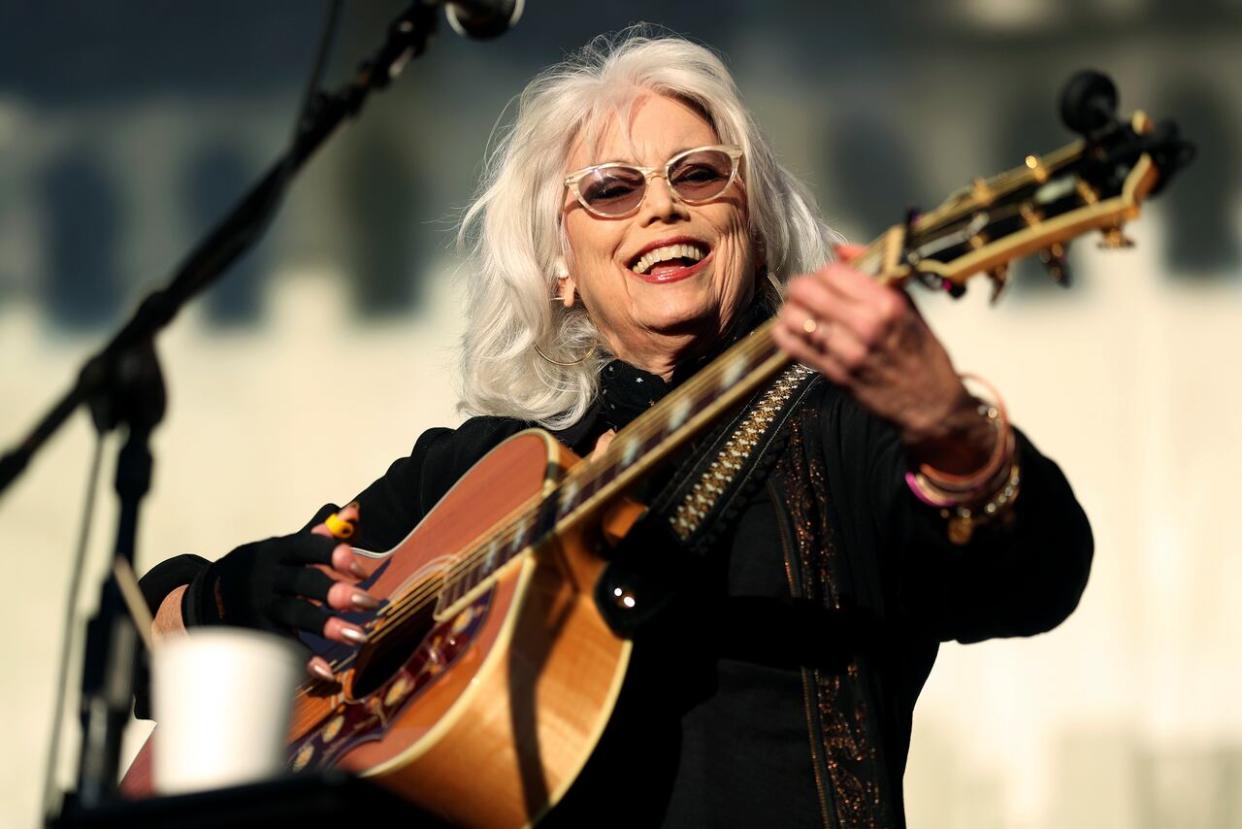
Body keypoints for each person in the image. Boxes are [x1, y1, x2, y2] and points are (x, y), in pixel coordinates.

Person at [137, 30, 1092, 828]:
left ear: (750, 220)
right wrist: (232, 598)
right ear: (559, 264)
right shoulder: (475, 471)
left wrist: (952, 428)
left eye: (698, 174)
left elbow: (1035, 579)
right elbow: (142, 639)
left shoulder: (839, 425)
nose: (662, 205)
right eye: (611, 189)